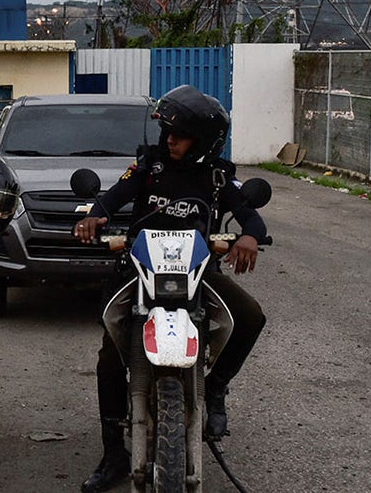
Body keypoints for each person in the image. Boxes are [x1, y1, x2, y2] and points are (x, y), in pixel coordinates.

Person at [73, 85, 269, 493]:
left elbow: (250, 217)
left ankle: (214, 391)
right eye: (168, 133)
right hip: (140, 270)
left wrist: (249, 237)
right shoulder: (149, 166)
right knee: (111, 354)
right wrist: (96, 216)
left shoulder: (218, 176)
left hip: (196, 274)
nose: (170, 140)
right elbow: (115, 197)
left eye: (180, 135)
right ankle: (113, 453)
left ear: (204, 141)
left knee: (250, 315)